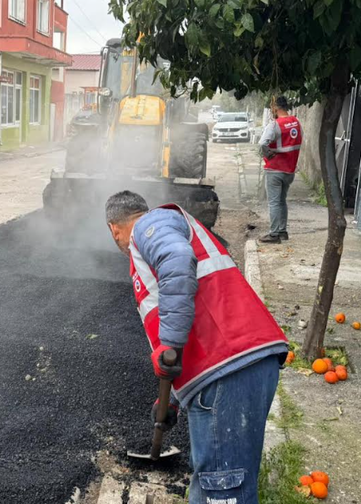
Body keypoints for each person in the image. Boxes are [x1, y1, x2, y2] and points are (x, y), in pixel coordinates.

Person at [105, 191, 288, 504]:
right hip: (232, 365)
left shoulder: (151, 225)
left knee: (224, 488)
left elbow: (177, 260)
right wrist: (174, 399)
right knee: (211, 484)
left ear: (114, 228)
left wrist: (170, 346)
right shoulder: (162, 231)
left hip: (228, 366)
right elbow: (191, 308)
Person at [258, 96, 302, 244]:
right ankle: (283, 231)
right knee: (282, 201)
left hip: (275, 169)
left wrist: (268, 154)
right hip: (290, 170)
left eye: (272, 108)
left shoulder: (274, 125)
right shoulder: (296, 123)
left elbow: (263, 143)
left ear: (276, 108)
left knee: (274, 203)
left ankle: (274, 234)